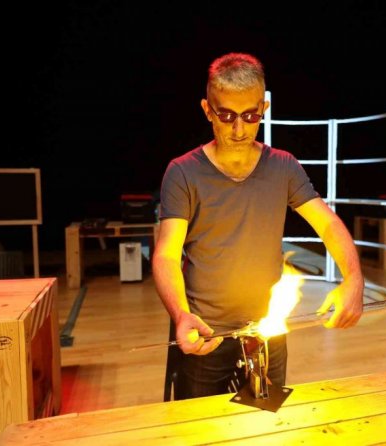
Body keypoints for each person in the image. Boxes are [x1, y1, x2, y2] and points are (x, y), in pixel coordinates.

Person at [152, 52, 364, 400]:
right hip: (205, 333)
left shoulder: (283, 167)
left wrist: (353, 277)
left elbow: (327, 224)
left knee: (265, 420)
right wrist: (180, 314)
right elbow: (166, 255)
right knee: (199, 424)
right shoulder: (183, 172)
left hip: (267, 330)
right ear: (207, 110)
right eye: (227, 116)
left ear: (263, 108)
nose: (239, 130)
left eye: (250, 116)